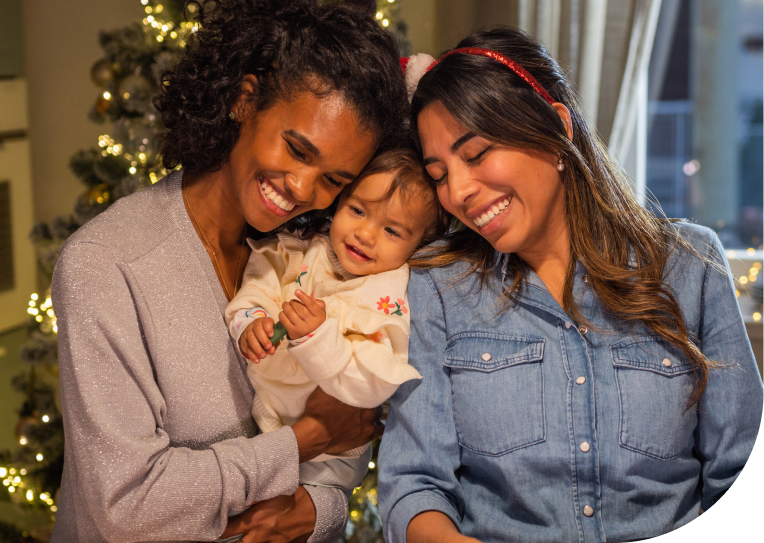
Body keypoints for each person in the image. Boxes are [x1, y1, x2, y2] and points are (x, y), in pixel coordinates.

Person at [378, 27, 764, 543]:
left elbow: (749, 483)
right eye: (439, 173)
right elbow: (414, 483)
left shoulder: (690, 267)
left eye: (475, 154)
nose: (459, 191)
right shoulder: (438, 286)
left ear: (557, 128)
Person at [50, 1, 408, 541]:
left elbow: (346, 434)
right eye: (296, 148)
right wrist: (298, 444)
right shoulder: (105, 265)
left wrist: (318, 509)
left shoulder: (314, 254)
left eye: (334, 179)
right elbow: (125, 506)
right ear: (246, 100)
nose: (303, 190)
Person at [225, 147, 446, 499]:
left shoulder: (386, 293)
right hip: (264, 418)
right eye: (357, 210)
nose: (365, 234)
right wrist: (252, 322)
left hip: (328, 459)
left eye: (391, 230)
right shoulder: (304, 251)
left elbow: (373, 384)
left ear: (418, 245)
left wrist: (317, 337)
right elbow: (258, 288)